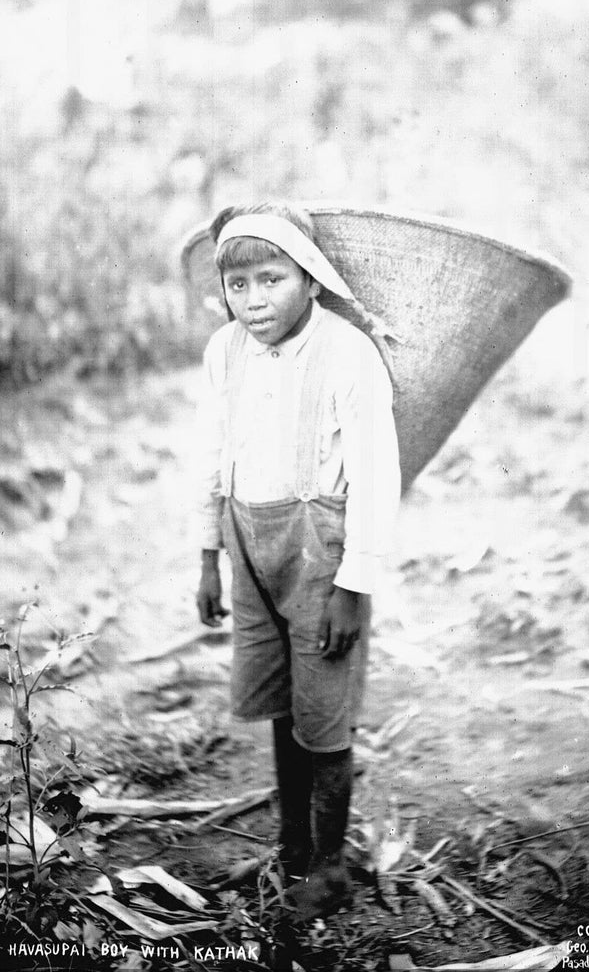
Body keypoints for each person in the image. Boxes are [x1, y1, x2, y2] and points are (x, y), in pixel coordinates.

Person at [195, 201, 401, 920]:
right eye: (239, 284)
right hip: (249, 544)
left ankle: (330, 865)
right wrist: (207, 554)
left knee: (325, 712)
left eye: (272, 279)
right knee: (282, 700)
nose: (254, 300)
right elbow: (212, 453)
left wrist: (354, 584)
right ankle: (290, 843)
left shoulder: (347, 353)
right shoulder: (224, 351)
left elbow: (377, 474)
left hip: (321, 555)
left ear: (310, 278)